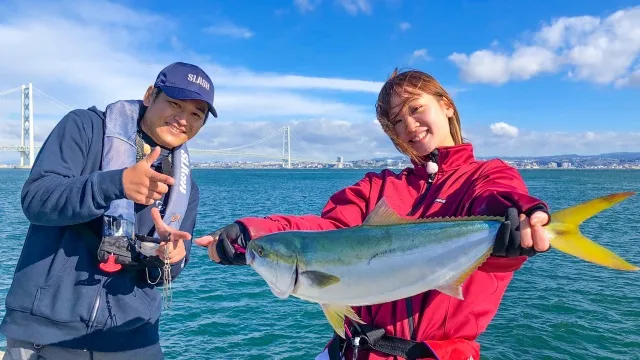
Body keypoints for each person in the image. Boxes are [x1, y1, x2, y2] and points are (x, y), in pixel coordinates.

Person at [194, 68, 552, 360]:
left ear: (446, 106)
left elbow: (496, 196)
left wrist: (517, 217)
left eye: (415, 109)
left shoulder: (483, 176)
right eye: (396, 121)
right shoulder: (376, 186)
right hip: (352, 351)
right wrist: (250, 231)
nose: (409, 126)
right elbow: (326, 230)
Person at [1, 62, 217, 360]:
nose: (183, 119)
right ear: (150, 95)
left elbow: (167, 274)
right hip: (47, 338)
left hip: (135, 343)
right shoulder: (84, 128)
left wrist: (172, 258)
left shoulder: (186, 188)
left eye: (196, 114)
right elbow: (37, 200)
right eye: (174, 103)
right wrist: (115, 184)